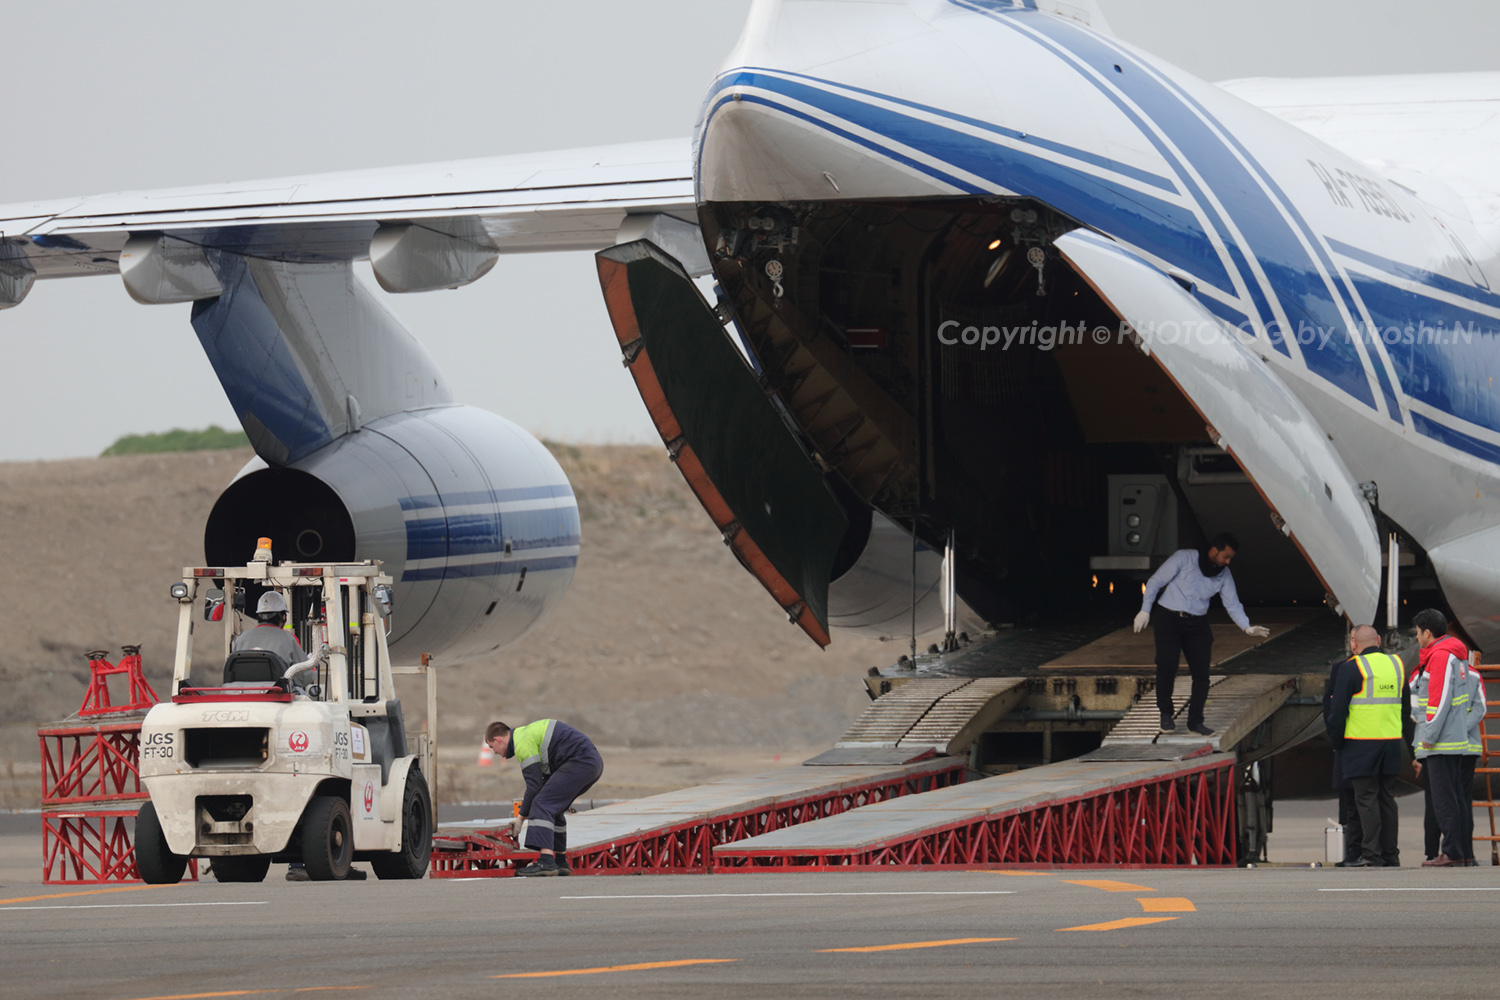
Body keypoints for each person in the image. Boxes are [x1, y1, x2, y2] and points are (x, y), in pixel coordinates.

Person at [1134, 533, 1271, 736]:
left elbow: (1232, 603)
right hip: (1169, 617)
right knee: (1167, 665)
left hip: (1196, 622)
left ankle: (1195, 721)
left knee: (1202, 674)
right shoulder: (1184, 558)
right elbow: (1155, 582)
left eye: (1230, 558)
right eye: (1226, 556)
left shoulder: (1223, 574)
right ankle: (1165, 713)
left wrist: (1247, 627)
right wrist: (1145, 610)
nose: (1228, 561)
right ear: (1214, 551)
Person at [1326, 625, 1407, 867]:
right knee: (1387, 799)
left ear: (1355, 644)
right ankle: (1390, 855)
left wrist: (1336, 741)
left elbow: (1337, 711)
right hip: (1391, 742)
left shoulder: (1352, 667)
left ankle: (1371, 855)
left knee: (1366, 799)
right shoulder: (1397, 665)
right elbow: (1406, 707)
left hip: (1361, 744)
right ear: (1379, 640)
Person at [485, 719, 604, 877]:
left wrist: (520, 819)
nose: (494, 752)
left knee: (542, 804)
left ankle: (546, 862)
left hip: (579, 762)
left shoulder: (522, 743)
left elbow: (534, 786)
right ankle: (560, 862)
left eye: (492, 747)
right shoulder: (526, 735)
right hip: (590, 763)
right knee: (554, 808)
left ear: (498, 739)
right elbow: (541, 783)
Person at [1410, 608, 1476, 867]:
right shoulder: (1455, 655)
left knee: (1444, 800)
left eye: (1417, 632)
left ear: (1427, 632)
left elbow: (1438, 698)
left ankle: (1451, 852)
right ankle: (1460, 852)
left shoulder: (1440, 656)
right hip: (1453, 738)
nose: (1416, 637)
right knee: (1455, 798)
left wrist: (1428, 735)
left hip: (1441, 740)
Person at [1323, 636, 1363, 865]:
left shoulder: (1344, 668)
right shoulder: (1391, 665)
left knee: (1353, 802)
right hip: (1373, 743)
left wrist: (1336, 740)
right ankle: (1362, 851)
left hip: (1351, 743)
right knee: (1360, 801)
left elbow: (1332, 708)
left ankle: (1356, 852)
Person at [232, 591, 305, 666]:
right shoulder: (290, 639)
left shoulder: (241, 639)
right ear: (283, 617)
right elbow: (307, 674)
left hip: (245, 678)